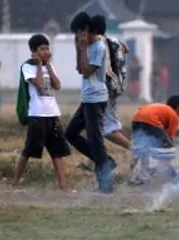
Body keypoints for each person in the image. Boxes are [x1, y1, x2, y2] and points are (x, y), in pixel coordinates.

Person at [13, 34, 71, 190]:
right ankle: (15, 183)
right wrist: (39, 65)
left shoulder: (50, 66)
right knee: (28, 150)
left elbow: (57, 85)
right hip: (37, 115)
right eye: (42, 49)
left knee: (57, 152)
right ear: (33, 51)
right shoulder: (28, 67)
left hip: (52, 114)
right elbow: (38, 83)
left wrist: (48, 66)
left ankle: (63, 186)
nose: (46, 51)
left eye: (47, 48)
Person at [65, 12, 114, 193]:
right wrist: (79, 48)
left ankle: (105, 184)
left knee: (95, 141)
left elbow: (87, 72)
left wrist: (83, 48)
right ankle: (106, 162)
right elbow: (80, 68)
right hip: (87, 98)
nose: (76, 36)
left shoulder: (98, 47)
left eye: (77, 32)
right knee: (70, 133)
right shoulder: (88, 46)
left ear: (85, 30)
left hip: (96, 98)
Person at [78, 15, 131, 172]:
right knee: (94, 126)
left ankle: (135, 150)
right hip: (113, 87)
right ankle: (93, 161)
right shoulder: (112, 41)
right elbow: (126, 48)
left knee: (107, 129)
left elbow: (86, 72)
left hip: (105, 90)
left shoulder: (99, 44)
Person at [130, 95, 179, 185]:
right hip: (150, 121)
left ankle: (139, 175)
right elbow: (169, 139)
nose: (178, 117)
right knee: (169, 147)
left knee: (143, 148)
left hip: (136, 119)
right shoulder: (173, 114)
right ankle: (164, 170)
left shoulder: (161, 108)